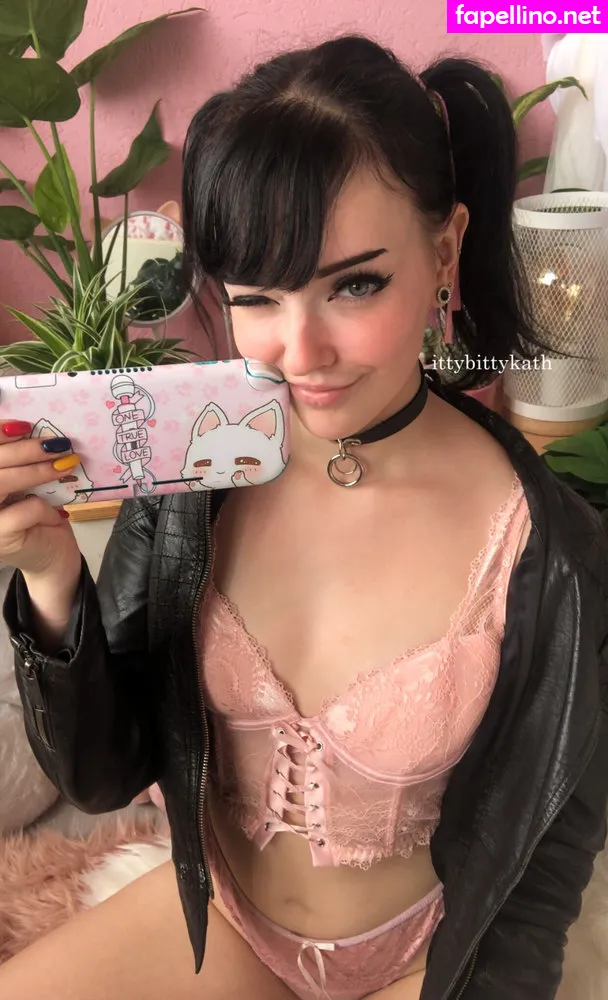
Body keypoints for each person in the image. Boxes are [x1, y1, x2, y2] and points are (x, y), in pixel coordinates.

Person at [0, 33, 607, 1000]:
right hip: (227, 921)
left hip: (433, 954)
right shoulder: (194, 478)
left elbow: (539, 883)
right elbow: (104, 776)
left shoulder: (556, 556)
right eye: (257, 297)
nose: (301, 351)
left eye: (354, 284)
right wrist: (50, 581)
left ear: (443, 250)